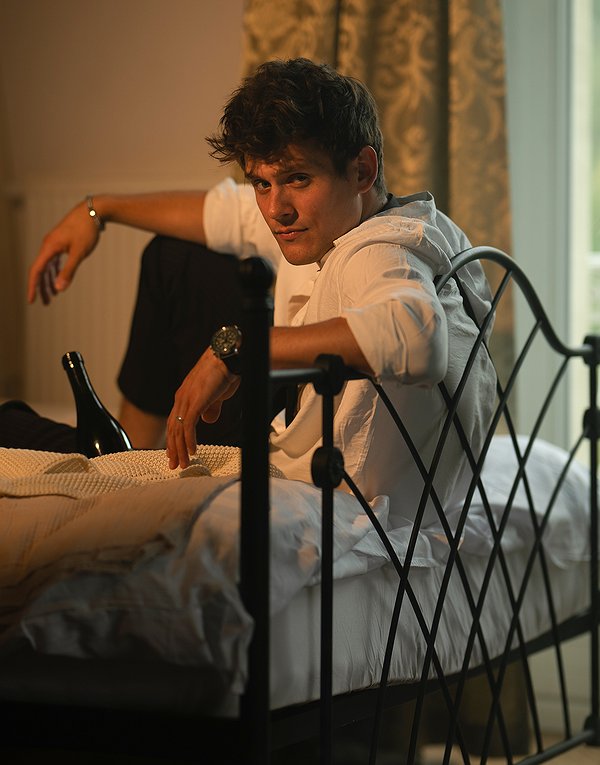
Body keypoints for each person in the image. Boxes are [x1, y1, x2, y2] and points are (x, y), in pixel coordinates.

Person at [21, 57, 494, 527]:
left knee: (12, 424)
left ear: (362, 171)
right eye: (261, 183)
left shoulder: (377, 251)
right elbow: (226, 215)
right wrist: (96, 211)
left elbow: (416, 338)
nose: (276, 209)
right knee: (176, 254)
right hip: (353, 469)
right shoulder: (409, 223)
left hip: (325, 492)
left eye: (297, 179)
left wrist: (234, 351)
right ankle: (130, 455)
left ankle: (123, 464)